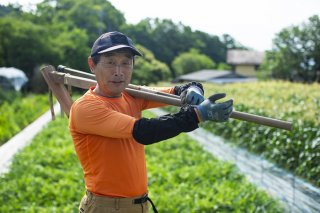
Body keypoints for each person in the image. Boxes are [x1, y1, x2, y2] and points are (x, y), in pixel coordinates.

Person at [69, 31, 233, 213]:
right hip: (105, 207)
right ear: (92, 64)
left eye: (126, 63)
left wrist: (193, 88)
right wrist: (197, 115)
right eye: (110, 62)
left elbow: (177, 90)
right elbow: (144, 131)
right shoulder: (86, 107)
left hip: (139, 205)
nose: (118, 71)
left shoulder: (132, 94)